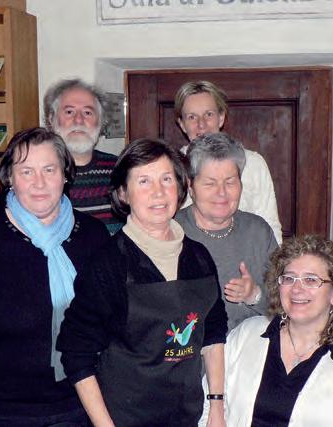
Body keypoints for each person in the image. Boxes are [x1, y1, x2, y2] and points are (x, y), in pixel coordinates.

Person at [0, 128, 110, 427]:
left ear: (65, 175)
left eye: (49, 169)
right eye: (26, 171)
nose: (39, 182)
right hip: (1, 411)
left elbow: (111, 320)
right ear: (9, 179)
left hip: (80, 405)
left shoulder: (94, 236)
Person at [57, 138, 228, 427]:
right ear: (123, 193)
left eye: (166, 179)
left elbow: (213, 333)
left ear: (180, 187)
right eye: (144, 181)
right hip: (123, 417)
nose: (158, 192)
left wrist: (217, 408)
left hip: (186, 417)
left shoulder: (199, 257)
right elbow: (77, 354)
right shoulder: (108, 264)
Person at [200, 235, 333, 426]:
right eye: (288, 278)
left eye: (310, 280)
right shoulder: (246, 334)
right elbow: (207, 406)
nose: (296, 289)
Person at [175, 132, 278, 331]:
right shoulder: (172, 232)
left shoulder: (258, 232)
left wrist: (255, 295)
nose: (222, 193)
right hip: (191, 345)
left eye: (230, 182)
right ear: (191, 186)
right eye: (210, 183)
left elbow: (288, 303)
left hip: (252, 343)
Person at [174, 80, 283, 244]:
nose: (201, 124)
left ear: (221, 117)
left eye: (209, 114)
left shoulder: (253, 163)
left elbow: (270, 225)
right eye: (192, 117)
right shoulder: (173, 166)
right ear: (182, 124)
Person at [44, 77, 122, 235]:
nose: (78, 120)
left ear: (101, 122)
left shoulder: (121, 170)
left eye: (87, 112)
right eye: (69, 112)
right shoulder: (34, 173)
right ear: (51, 119)